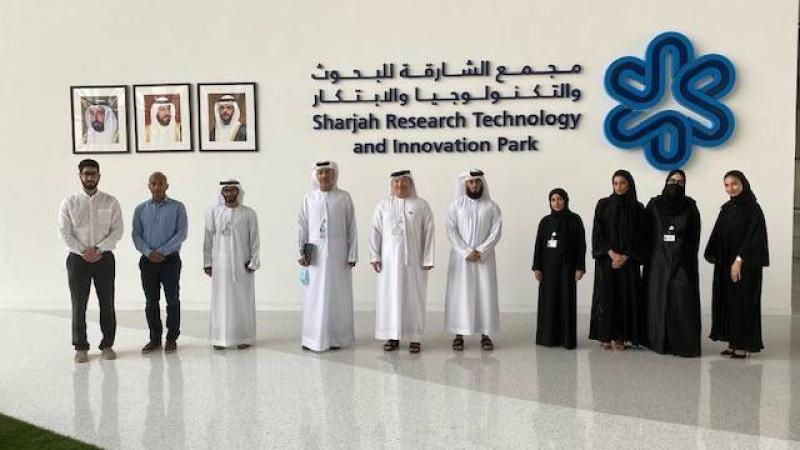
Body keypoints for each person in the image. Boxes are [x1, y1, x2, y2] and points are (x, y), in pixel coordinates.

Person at [58, 159, 123, 363]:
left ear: (99, 176)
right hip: (78, 259)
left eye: (93, 173)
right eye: (86, 173)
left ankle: (107, 345)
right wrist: (83, 251)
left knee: (107, 302)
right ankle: (80, 347)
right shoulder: (69, 203)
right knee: (78, 303)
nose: (90, 177)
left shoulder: (110, 202)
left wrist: (98, 249)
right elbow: (64, 232)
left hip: (104, 258)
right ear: (80, 176)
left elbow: (117, 230)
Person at [704, 170, 769, 359]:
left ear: (743, 184)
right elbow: (719, 234)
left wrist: (739, 260)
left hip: (745, 265)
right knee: (729, 302)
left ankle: (743, 345)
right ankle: (733, 342)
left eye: (734, 184)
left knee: (743, 303)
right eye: (726, 185)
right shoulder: (727, 208)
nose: (730, 188)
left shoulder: (753, 209)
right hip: (726, 263)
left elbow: (754, 239)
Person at [370, 170, 434, 353]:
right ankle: (392, 337)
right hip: (388, 263)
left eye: (404, 181)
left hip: (414, 262)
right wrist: (375, 256)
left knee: (414, 298)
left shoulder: (421, 205)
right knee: (390, 297)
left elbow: (429, 232)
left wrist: (428, 258)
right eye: (397, 182)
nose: (400, 185)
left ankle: (415, 338)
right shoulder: (383, 205)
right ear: (392, 185)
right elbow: (375, 231)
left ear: (411, 184)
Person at [298, 161, 358, 352]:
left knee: (337, 295)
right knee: (314, 295)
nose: (324, 176)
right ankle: (313, 338)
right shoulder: (309, 198)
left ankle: (336, 338)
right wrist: (301, 251)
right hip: (314, 253)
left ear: (335, 175)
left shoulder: (344, 197)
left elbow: (351, 226)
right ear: (316, 176)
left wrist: (352, 254)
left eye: (328, 172)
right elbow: (302, 226)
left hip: (339, 254)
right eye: (321, 173)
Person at [643, 170, 701, 357]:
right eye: (672, 181)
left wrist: (683, 257)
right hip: (657, 261)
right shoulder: (654, 205)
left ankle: (682, 344)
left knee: (681, 302)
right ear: (666, 182)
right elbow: (645, 233)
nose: (676, 185)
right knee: (657, 300)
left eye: (680, 182)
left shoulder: (690, 206)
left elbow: (694, 237)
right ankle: (656, 340)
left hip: (682, 261)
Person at [589, 170, 648, 350]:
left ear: (629, 184)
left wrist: (625, 256)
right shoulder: (603, 205)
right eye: (615, 183)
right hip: (607, 260)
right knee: (606, 298)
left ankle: (621, 337)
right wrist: (612, 254)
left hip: (628, 262)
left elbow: (641, 236)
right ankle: (605, 336)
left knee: (625, 299)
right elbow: (598, 231)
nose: (619, 186)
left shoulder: (638, 208)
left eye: (622, 183)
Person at [444, 170, 502, 351]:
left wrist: (481, 251)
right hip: (461, 259)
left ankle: (486, 334)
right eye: (470, 182)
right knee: (460, 294)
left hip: (484, 259)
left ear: (482, 183)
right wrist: (467, 251)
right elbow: (451, 231)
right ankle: (458, 334)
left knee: (485, 294)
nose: (474, 185)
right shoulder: (456, 206)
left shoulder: (492, 207)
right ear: (465, 185)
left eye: (477, 182)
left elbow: (496, 232)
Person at [132, 171, 188, 354]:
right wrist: (149, 253)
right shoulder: (140, 209)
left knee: (172, 300)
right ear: (148, 186)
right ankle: (155, 339)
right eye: (153, 183)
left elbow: (182, 233)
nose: (157, 187)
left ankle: (172, 338)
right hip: (148, 261)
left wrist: (163, 251)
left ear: (167, 186)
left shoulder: (178, 207)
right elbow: (136, 235)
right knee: (151, 301)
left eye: (160, 183)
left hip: (170, 260)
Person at [203, 180, 260, 349]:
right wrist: (207, 262)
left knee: (242, 301)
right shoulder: (214, 213)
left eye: (232, 190)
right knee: (221, 300)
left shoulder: (249, 213)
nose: (229, 194)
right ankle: (220, 338)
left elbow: (255, 239)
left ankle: (243, 337)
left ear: (238, 192)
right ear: (222, 193)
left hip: (242, 265)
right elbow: (207, 239)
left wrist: (254, 261)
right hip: (220, 266)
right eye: (226, 191)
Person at [532, 188, 586, 350]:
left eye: (559, 199)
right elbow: (539, 245)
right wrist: (537, 267)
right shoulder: (545, 222)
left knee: (566, 301)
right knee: (549, 301)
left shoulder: (574, 220)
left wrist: (580, 267)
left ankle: (566, 339)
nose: (556, 203)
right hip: (548, 268)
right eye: (553, 200)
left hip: (567, 268)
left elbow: (581, 245)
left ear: (565, 200)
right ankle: (548, 338)